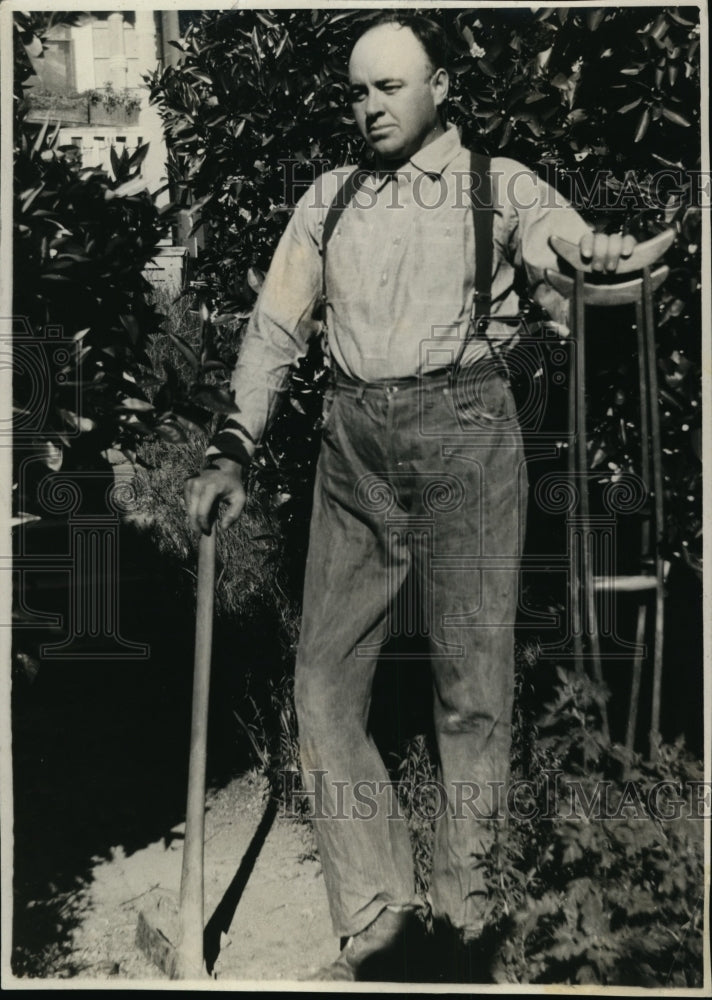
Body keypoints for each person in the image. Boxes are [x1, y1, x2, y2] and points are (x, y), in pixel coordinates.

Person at [184, 13, 636, 983]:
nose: (370, 105)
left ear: (438, 87)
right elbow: (273, 330)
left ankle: (466, 921)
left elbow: (576, 265)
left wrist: (601, 269)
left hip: (467, 438)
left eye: (389, 86)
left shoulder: (499, 185)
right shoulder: (329, 198)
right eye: (357, 89)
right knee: (321, 689)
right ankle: (380, 914)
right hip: (352, 454)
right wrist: (232, 449)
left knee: (470, 693)